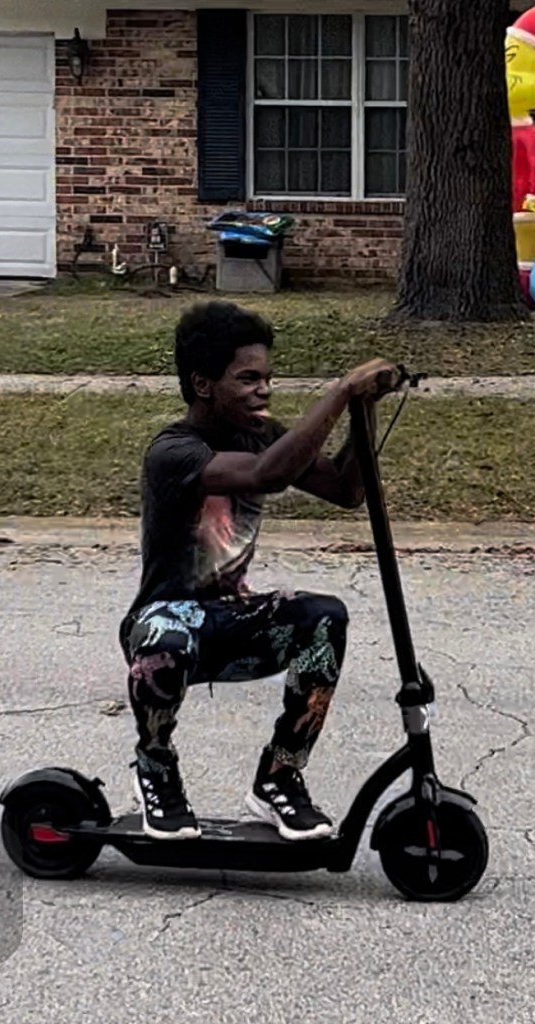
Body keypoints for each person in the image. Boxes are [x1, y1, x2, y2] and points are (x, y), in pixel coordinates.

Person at [118, 299, 400, 842]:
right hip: (166, 626)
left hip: (232, 617)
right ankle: (155, 768)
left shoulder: (262, 433)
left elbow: (344, 490)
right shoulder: (173, 451)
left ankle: (279, 777)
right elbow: (269, 475)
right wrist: (340, 392)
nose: (264, 390)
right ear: (203, 384)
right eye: (247, 379)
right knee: (163, 635)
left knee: (323, 618)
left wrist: (365, 408)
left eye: (267, 377)